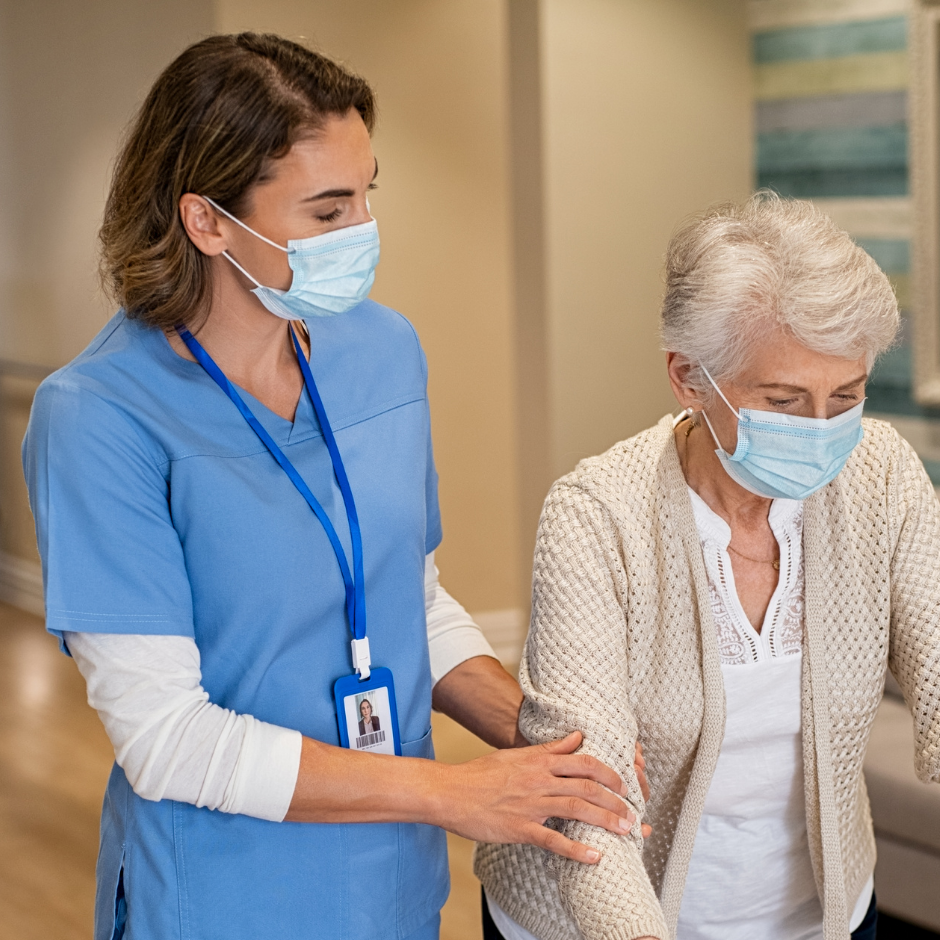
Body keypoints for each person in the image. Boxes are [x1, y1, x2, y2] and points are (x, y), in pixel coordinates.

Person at [21, 34, 641, 940]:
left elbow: (410, 600)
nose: (363, 234)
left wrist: (538, 739)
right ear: (207, 221)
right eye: (327, 210)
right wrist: (452, 791)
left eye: (367, 195)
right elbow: (165, 739)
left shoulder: (382, 349)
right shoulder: (99, 417)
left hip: (394, 876)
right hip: (222, 896)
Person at [475, 193, 940, 940]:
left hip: (820, 916)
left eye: (846, 395)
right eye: (784, 400)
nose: (822, 430)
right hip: (604, 919)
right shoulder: (597, 516)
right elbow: (588, 800)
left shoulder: (882, 475)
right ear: (690, 378)